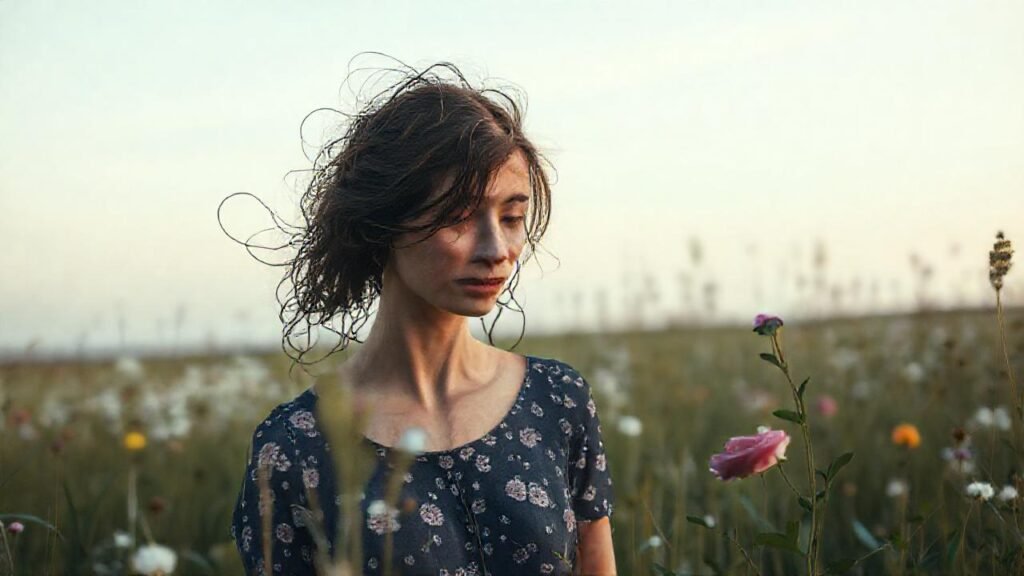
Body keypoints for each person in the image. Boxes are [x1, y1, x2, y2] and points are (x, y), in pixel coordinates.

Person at [229, 59, 616, 575]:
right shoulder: (296, 446)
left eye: (512, 217)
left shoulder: (557, 400)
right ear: (383, 221)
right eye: (458, 216)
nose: (496, 249)